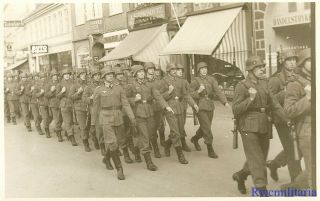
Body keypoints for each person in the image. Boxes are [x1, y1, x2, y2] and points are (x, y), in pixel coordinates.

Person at [232, 56, 288, 194]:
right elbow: (236, 109)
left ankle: (241, 175)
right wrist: (250, 99)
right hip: (248, 126)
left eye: (263, 66)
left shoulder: (265, 83)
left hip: (264, 124)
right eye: (259, 67)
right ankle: (261, 189)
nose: (262, 69)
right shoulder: (242, 86)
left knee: (260, 158)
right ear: (250, 70)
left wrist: (287, 119)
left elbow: (274, 104)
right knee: (257, 159)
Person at [92, 66, 136, 180]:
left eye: (112, 74)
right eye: (108, 75)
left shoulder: (119, 88)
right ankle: (119, 169)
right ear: (104, 77)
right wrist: (93, 124)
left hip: (118, 117)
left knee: (120, 141)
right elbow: (95, 108)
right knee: (113, 143)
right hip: (105, 118)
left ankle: (106, 158)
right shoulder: (99, 90)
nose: (111, 76)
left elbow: (125, 103)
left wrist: (132, 117)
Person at [126, 65, 171, 171]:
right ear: (135, 74)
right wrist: (134, 99)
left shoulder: (149, 84)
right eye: (139, 72)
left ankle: (136, 149)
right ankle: (149, 162)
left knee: (150, 134)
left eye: (142, 71)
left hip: (149, 112)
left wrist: (166, 106)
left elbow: (158, 96)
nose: (142, 73)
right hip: (138, 113)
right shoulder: (131, 85)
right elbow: (125, 99)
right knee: (145, 137)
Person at [267, 49, 302, 182]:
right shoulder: (276, 79)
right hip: (282, 119)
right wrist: (284, 93)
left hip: (296, 116)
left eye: (294, 60)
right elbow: (268, 100)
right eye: (289, 60)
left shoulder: (297, 75)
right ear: (283, 61)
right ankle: (297, 183)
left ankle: (274, 164)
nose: (292, 63)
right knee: (293, 150)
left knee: (300, 147)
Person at [282, 48, 312, 190]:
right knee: (314, 171)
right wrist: (307, 98)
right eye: (310, 60)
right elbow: (288, 111)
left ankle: (292, 188)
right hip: (307, 131)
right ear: (303, 63)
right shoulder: (295, 84)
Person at [157, 63, 199, 164]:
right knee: (176, 132)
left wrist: (193, 104)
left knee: (179, 131)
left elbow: (186, 95)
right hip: (170, 108)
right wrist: (169, 92)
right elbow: (160, 97)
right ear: (168, 71)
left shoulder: (180, 81)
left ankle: (167, 144)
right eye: (172, 69)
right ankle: (180, 155)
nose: (175, 71)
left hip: (180, 108)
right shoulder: (163, 82)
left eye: (176, 69)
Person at [189, 62, 230, 158]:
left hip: (210, 106)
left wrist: (225, 102)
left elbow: (218, 91)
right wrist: (198, 91)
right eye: (202, 69)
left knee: (205, 127)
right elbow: (189, 94)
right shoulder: (196, 81)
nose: (204, 70)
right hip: (200, 106)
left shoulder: (211, 79)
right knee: (207, 127)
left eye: (205, 68)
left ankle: (195, 139)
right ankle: (210, 149)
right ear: (199, 71)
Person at [114, 67, 135, 163]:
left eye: (121, 74)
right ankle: (125, 154)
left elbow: (132, 96)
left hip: (126, 111)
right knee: (120, 134)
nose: (120, 76)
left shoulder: (128, 85)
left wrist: (131, 100)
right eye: (118, 75)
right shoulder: (113, 86)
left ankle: (132, 149)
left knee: (128, 131)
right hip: (117, 113)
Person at [144, 62, 163, 157]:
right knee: (151, 128)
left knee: (157, 126)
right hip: (148, 107)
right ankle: (156, 148)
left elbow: (162, 92)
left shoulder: (158, 81)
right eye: (149, 69)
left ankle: (152, 142)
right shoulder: (144, 81)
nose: (152, 70)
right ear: (146, 70)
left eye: (153, 69)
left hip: (158, 107)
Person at [70, 68, 92, 152]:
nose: (83, 75)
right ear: (78, 76)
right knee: (83, 126)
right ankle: (86, 143)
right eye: (81, 74)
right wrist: (78, 93)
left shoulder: (89, 83)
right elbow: (71, 97)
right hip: (80, 108)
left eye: (84, 74)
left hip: (89, 106)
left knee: (90, 126)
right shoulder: (74, 85)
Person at [56, 68, 78, 146]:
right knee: (68, 121)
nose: (67, 75)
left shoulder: (74, 82)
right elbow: (57, 96)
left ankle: (67, 133)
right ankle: (72, 137)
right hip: (64, 104)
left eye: (68, 74)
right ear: (63, 76)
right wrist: (62, 91)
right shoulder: (60, 84)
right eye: (65, 74)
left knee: (71, 121)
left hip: (73, 103)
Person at [83, 67, 101, 151]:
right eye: (95, 75)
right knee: (95, 126)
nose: (97, 77)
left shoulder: (103, 84)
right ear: (92, 77)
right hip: (93, 109)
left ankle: (98, 139)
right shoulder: (88, 87)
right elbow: (84, 98)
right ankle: (96, 139)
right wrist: (90, 98)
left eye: (98, 75)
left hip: (103, 107)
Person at [176, 63, 191, 152]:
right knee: (177, 126)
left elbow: (189, 92)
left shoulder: (185, 81)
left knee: (182, 125)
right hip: (175, 107)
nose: (180, 72)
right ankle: (181, 143)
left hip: (183, 106)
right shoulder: (171, 81)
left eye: (182, 71)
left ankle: (180, 142)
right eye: (178, 70)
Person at [45, 69, 63, 142]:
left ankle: (57, 129)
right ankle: (58, 134)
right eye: (54, 76)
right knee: (57, 119)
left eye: (56, 75)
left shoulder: (60, 83)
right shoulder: (48, 84)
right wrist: (51, 91)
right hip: (54, 104)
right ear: (51, 76)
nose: (55, 77)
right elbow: (46, 95)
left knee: (61, 119)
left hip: (61, 103)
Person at [36, 72, 52, 138]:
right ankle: (46, 131)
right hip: (42, 103)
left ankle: (40, 121)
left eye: (44, 77)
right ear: (39, 78)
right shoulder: (37, 85)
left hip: (49, 103)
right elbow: (35, 95)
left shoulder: (49, 84)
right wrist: (41, 93)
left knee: (51, 117)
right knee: (45, 118)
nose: (43, 79)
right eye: (42, 78)